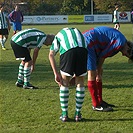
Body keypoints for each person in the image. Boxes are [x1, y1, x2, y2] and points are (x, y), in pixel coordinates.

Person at [82, 26, 133, 112]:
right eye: (126, 55)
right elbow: (103, 55)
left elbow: (103, 54)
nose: (123, 55)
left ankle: (100, 101)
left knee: (99, 72)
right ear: (128, 49)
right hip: (88, 42)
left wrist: (99, 69)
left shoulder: (122, 41)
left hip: (90, 41)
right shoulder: (119, 43)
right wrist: (98, 70)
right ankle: (96, 105)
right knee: (92, 73)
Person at [49, 27, 88, 122]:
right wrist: (76, 75)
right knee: (80, 82)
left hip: (68, 52)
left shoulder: (59, 35)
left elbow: (51, 54)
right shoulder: (78, 31)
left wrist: (56, 73)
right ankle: (78, 114)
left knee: (64, 82)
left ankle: (64, 114)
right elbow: (83, 47)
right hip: (83, 51)